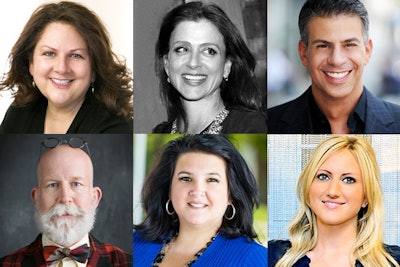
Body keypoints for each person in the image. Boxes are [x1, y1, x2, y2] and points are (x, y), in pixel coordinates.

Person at [267, 0, 400, 134]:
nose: (336, 60)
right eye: (323, 46)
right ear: (303, 53)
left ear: (367, 51)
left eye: (349, 45)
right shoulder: (270, 123)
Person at [0, 1, 133, 133]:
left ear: (94, 68)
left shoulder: (116, 129)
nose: (62, 68)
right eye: (49, 53)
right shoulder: (20, 111)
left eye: (75, 55)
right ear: (31, 63)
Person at [133, 135, 267, 266]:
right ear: (169, 188)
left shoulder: (254, 259)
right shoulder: (135, 242)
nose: (197, 190)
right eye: (186, 178)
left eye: (212, 180)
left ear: (231, 195)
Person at [268, 136, 400, 267]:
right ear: (308, 187)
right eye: (323, 176)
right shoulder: (272, 256)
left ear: (366, 197)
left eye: (348, 180)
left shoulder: (394, 262)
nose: (332, 191)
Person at [0, 137, 132, 266]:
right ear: (37, 198)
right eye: (52, 185)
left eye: (76, 184)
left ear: (94, 197)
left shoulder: (126, 262)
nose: (65, 198)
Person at [152, 1, 267, 134]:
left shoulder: (252, 128)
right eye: (182, 49)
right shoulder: (160, 133)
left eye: (209, 51)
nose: (193, 63)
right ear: (166, 64)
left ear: (226, 66)